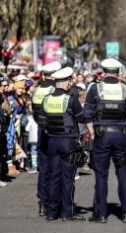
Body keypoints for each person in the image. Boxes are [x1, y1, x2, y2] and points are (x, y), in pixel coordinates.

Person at [84, 58, 126, 223]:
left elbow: (87, 114)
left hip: (102, 136)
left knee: (101, 176)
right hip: (121, 136)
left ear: (103, 72)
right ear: (118, 72)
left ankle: (101, 214)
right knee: (123, 173)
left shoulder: (95, 89)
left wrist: (92, 132)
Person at [39, 67, 85, 221]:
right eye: (70, 81)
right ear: (66, 83)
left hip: (52, 142)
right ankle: (68, 212)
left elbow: (42, 123)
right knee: (67, 178)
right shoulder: (71, 99)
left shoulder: (46, 99)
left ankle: (52, 212)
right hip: (68, 143)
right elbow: (82, 118)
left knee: (54, 177)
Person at [32, 61, 60, 216]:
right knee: (56, 169)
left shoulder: (37, 91)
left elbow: (36, 114)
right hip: (56, 133)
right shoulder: (55, 90)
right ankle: (54, 202)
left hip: (41, 132)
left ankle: (43, 202)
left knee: (43, 170)